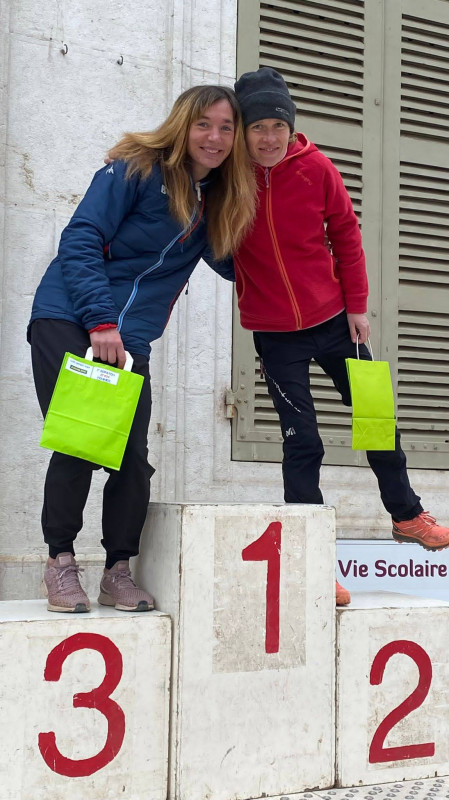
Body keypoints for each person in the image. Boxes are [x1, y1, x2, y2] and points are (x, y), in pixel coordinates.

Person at [29, 85, 256, 613]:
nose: (215, 137)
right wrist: (100, 320)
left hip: (129, 338)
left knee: (131, 458)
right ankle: (60, 563)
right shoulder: (135, 170)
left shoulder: (216, 199)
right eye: (204, 124)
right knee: (83, 441)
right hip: (70, 317)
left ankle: (117, 571)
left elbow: (238, 265)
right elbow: (81, 237)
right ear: (183, 124)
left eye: (226, 128)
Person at [232, 67, 449, 606]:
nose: (269, 138)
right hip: (276, 335)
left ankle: (406, 515)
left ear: (291, 126)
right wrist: (248, 283)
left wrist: (357, 305)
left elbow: (346, 235)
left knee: (377, 418)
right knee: (302, 441)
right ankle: (310, 563)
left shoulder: (317, 168)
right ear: (242, 131)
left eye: (278, 126)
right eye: (257, 127)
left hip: (335, 320)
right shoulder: (228, 179)